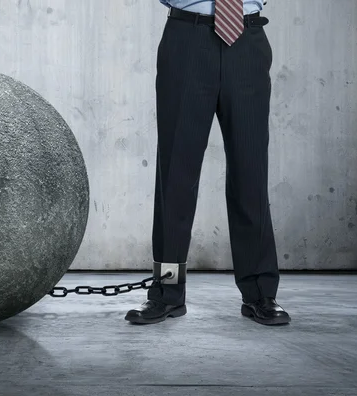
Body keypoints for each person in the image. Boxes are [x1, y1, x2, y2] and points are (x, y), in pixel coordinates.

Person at [125, 0, 291, 326]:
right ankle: (167, 291)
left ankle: (260, 293)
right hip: (187, 37)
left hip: (247, 39)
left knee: (250, 172)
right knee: (176, 174)